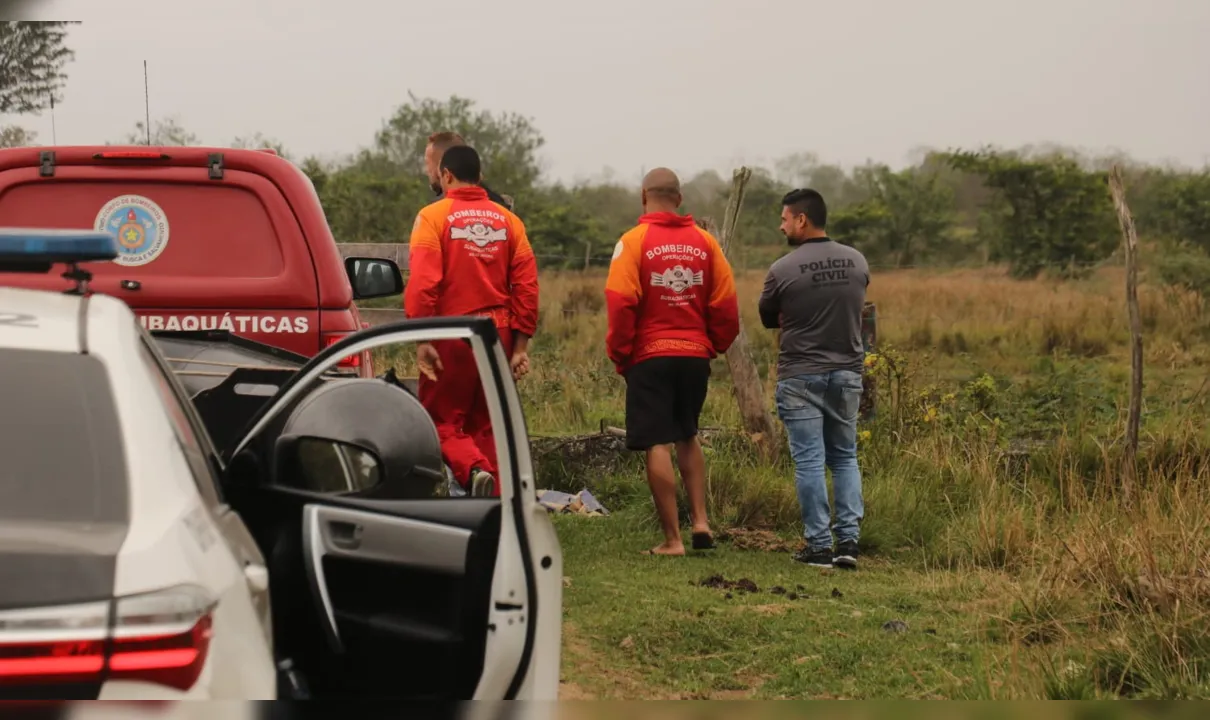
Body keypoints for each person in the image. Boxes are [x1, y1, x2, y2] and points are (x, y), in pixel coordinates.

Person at [605, 167, 740, 556]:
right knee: (688, 433)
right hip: (694, 354)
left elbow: (620, 301)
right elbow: (726, 306)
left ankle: (672, 540)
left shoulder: (632, 242)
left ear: (643, 196)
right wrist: (711, 344)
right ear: (679, 199)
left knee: (658, 443)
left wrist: (621, 352)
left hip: (650, 355)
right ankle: (700, 521)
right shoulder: (706, 244)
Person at [404, 144, 539, 497]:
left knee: (442, 420)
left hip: (453, 333)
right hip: (499, 334)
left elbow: (423, 285)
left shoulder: (432, 218)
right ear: (479, 177)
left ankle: (475, 472)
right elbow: (526, 286)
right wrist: (521, 347)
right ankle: (499, 505)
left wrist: (423, 339)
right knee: (487, 423)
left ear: (446, 175)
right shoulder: (510, 221)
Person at [758, 188, 870, 570]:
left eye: (785, 218)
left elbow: (768, 316)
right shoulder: (857, 261)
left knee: (809, 460)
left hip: (801, 374)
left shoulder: (782, 269)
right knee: (844, 456)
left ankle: (819, 547)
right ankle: (849, 544)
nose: (782, 224)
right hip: (847, 373)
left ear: (801, 220)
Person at [424, 131, 516, 212]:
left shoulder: (436, 212)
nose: (426, 170)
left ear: (442, 163)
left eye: (428, 163)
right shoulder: (502, 207)